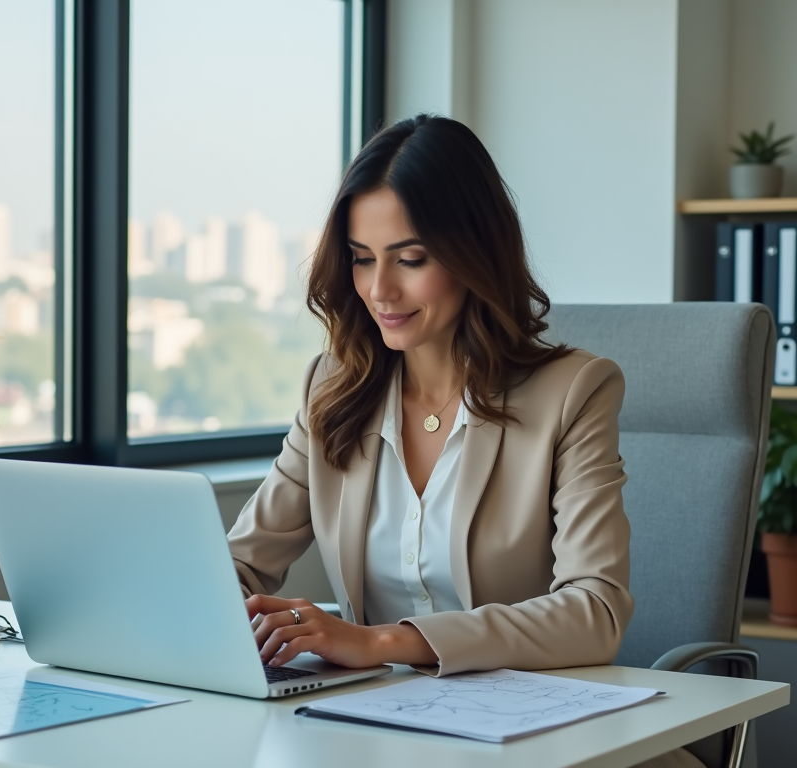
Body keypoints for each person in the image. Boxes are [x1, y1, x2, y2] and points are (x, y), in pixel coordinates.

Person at [226, 115, 697, 768]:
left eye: (410, 259)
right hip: (380, 734)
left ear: (475, 253)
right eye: (362, 259)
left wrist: (384, 642)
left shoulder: (574, 391)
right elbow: (241, 566)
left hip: (547, 736)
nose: (379, 290)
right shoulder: (333, 390)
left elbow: (594, 612)